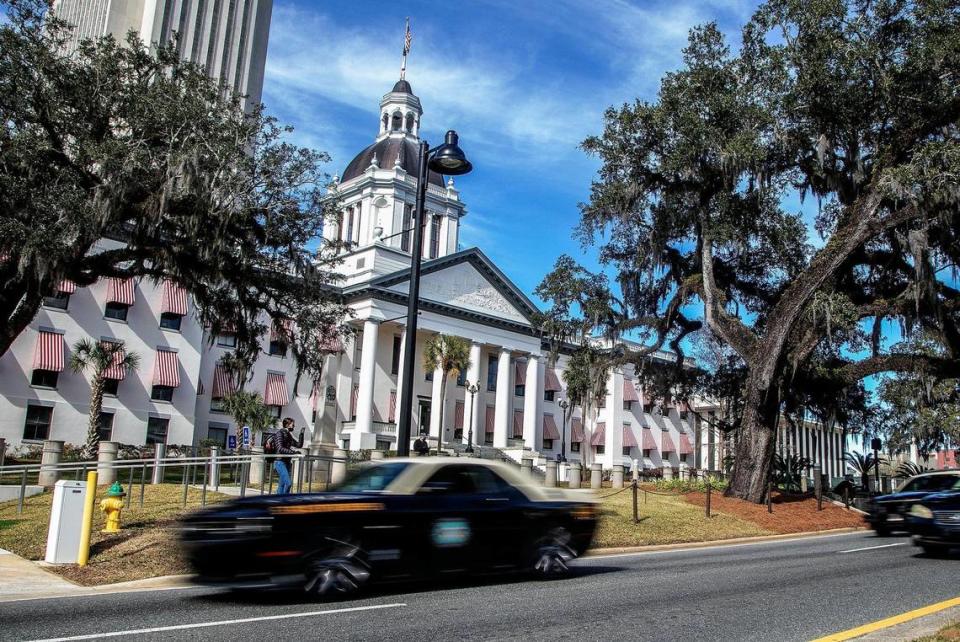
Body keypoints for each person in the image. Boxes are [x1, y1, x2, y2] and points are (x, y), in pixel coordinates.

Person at [269, 417, 304, 494]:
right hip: (279, 461)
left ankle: (279, 501)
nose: (294, 426)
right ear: (287, 425)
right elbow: (280, 448)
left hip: (287, 461)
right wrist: (293, 452)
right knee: (288, 483)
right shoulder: (279, 434)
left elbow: (298, 445)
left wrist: (301, 434)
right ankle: (285, 499)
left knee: (282, 485)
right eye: (292, 424)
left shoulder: (288, 435)